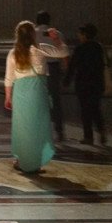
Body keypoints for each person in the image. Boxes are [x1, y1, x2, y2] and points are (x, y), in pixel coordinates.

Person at [4, 20, 69, 174]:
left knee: (22, 128)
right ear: (33, 34)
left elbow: (9, 77)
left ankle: (22, 160)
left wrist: (8, 97)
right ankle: (35, 162)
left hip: (20, 91)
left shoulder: (13, 53)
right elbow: (64, 52)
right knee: (37, 127)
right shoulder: (39, 49)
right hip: (38, 91)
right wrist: (57, 39)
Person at [63, 23, 108, 146]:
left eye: (80, 33)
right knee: (95, 108)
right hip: (97, 83)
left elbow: (72, 67)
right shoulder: (99, 47)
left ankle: (88, 137)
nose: (78, 36)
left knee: (85, 110)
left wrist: (66, 81)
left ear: (85, 35)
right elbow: (106, 64)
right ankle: (101, 130)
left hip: (83, 84)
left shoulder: (80, 49)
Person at [35, 10, 67, 142]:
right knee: (56, 100)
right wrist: (64, 68)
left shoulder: (33, 33)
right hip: (54, 68)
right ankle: (59, 131)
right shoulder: (57, 33)